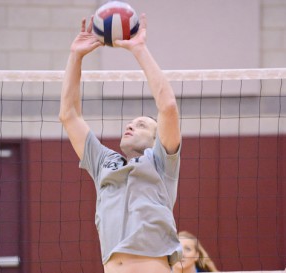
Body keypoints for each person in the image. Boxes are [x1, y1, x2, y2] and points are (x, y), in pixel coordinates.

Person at [59, 13, 182, 273]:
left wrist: (139, 49)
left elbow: (168, 106)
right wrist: (76, 55)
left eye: (141, 125)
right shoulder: (105, 162)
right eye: (130, 123)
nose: (130, 126)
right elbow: (69, 116)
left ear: (156, 140)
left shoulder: (161, 163)